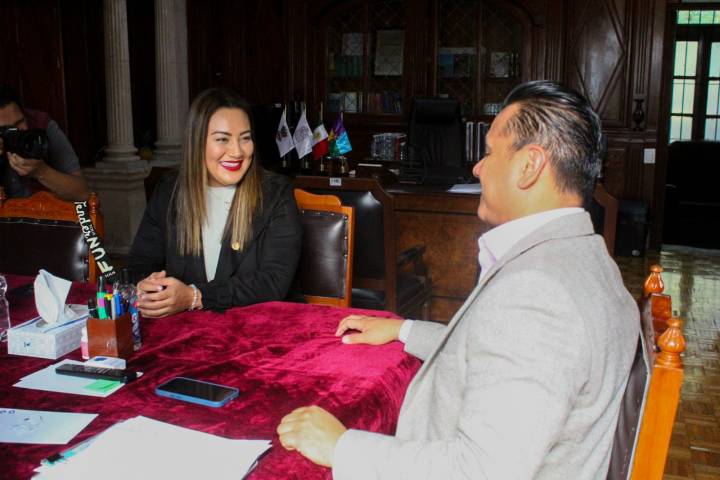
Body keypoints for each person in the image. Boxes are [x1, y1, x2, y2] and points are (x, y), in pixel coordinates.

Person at [276, 81, 640, 479]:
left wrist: (342, 446)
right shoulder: (588, 258)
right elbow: (500, 348)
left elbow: (481, 471)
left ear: (529, 166)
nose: (478, 168)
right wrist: (404, 330)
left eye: (489, 152)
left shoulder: (537, 293)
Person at [129, 88, 302, 317]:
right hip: (183, 329)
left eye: (245, 138)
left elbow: (273, 282)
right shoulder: (169, 191)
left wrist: (195, 296)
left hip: (257, 328)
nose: (237, 152)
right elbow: (140, 264)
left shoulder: (276, 193)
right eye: (222, 139)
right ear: (197, 143)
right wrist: (149, 285)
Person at [0, 83, 88, 201]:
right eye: (5, 130)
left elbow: (82, 194)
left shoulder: (41, 126)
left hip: (43, 210)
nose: (15, 132)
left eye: (19, 122)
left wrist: (41, 171)